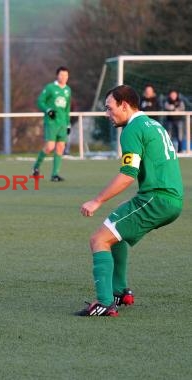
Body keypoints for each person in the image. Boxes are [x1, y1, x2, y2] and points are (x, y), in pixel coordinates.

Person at [78, 84, 183, 317]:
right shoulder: (153, 124)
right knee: (115, 231)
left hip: (157, 197)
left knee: (98, 240)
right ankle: (120, 291)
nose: (107, 114)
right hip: (170, 198)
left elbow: (128, 175)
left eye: (109, 108)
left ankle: (104, 303)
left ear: (124, 105)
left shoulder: (132, 129)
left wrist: (96, 200)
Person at [33, 66, 71, 182]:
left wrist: (68, 123)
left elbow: (67, 108)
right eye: (61, 75)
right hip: (51, 122)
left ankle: (55, 174)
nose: (63, 77)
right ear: (57, 76)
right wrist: (48, 110)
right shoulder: (50, 88)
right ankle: (36, 167)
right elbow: (40, 101)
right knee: (50, 147)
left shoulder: (68, 90)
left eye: (65, 75)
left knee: (60, 148)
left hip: (62, 123)